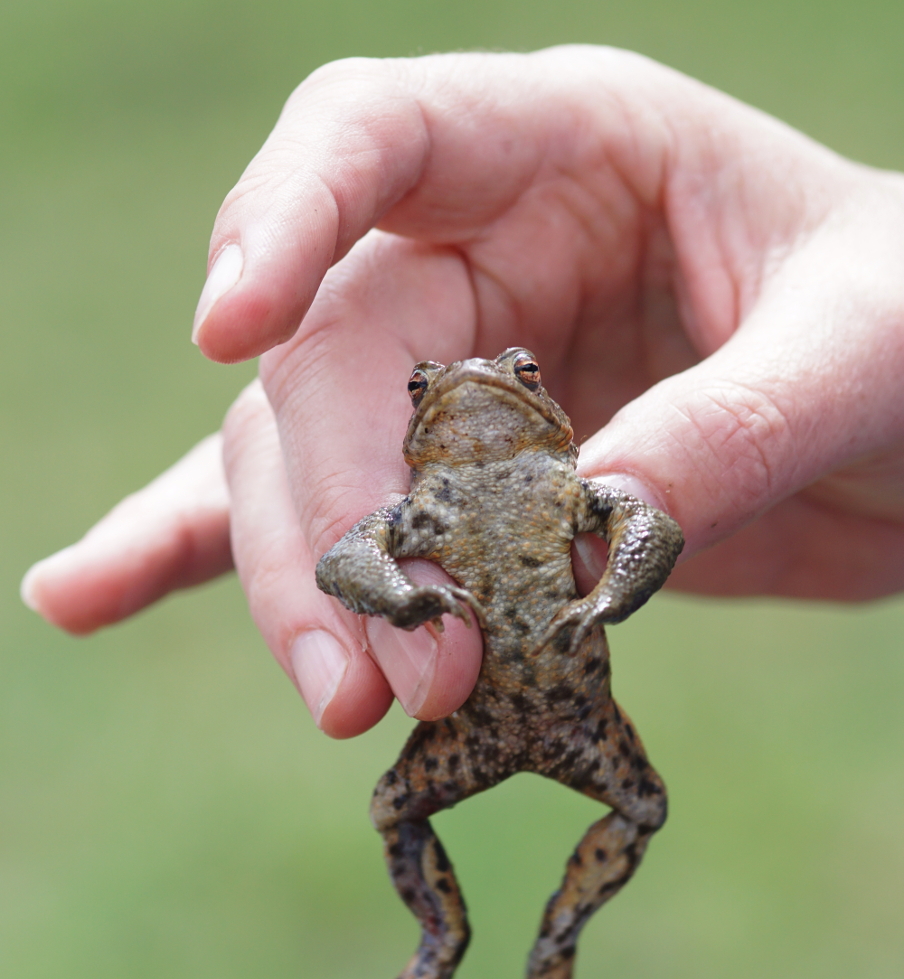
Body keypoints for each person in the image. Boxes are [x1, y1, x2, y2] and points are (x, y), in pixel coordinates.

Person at [21, 46, 904, 739]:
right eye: (424, 385)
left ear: (545, 404)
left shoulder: (575, 483)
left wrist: (607, 594)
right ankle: (429, 957)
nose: (476, 381)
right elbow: (343, 558)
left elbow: (651, 519)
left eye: (520, 374)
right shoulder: (423, 507)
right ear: (415, 425)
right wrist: (404, 597)